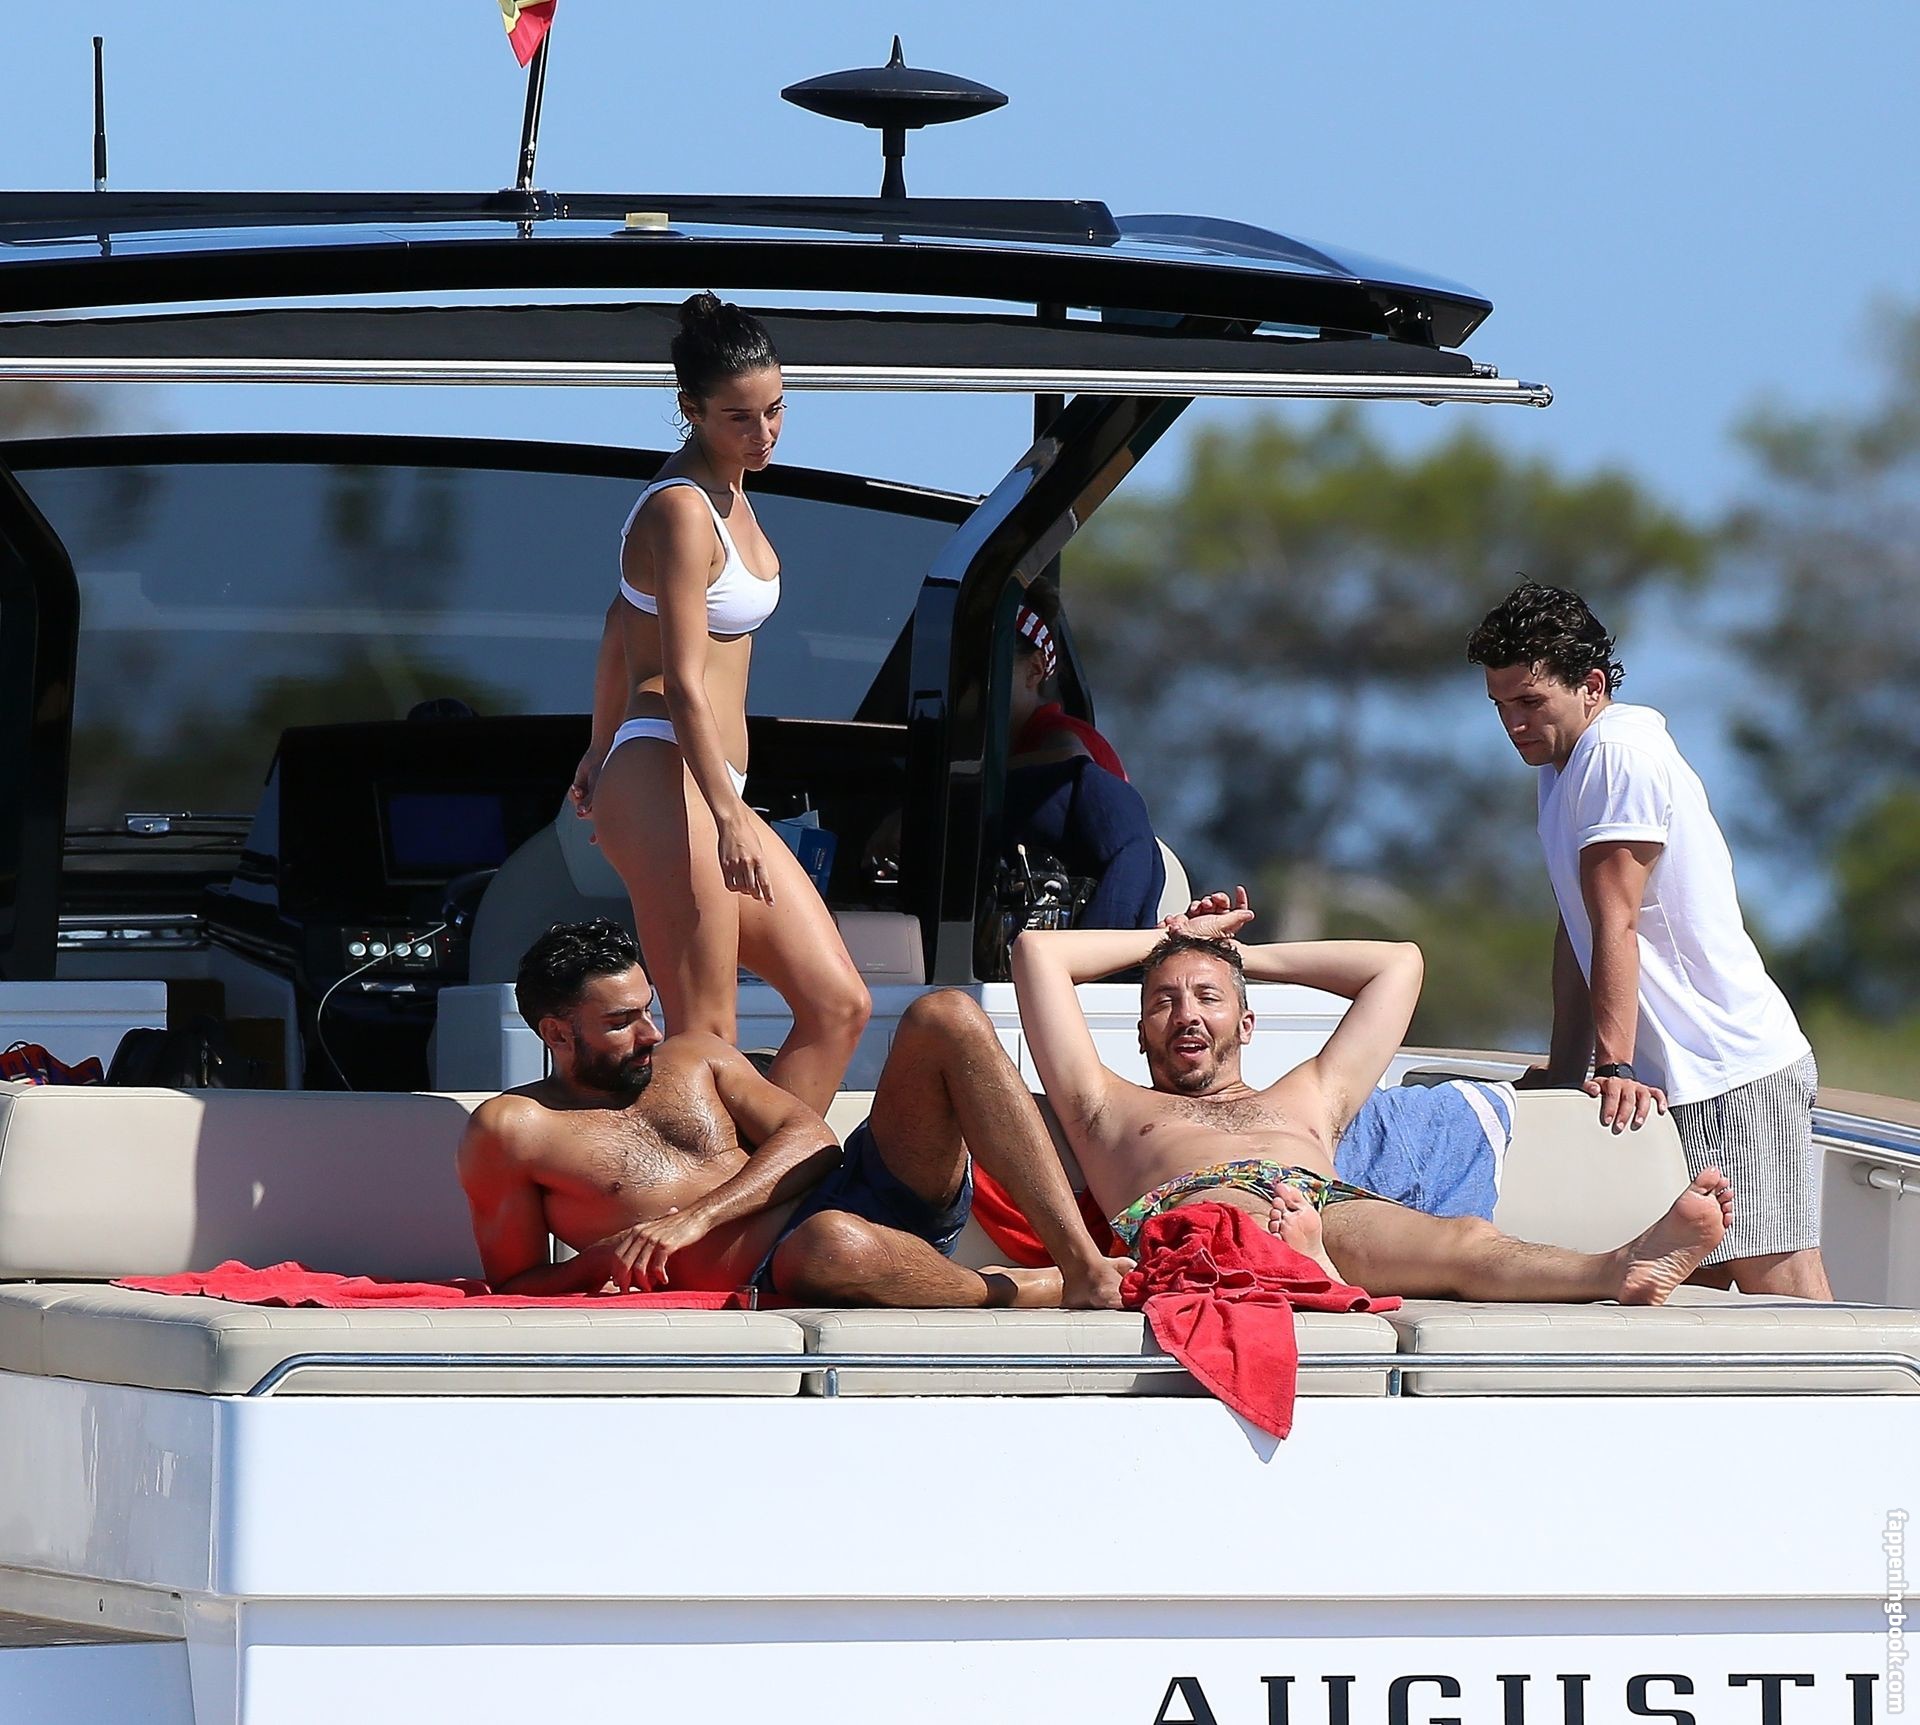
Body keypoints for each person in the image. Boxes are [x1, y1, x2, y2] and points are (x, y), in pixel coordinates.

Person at [1011, 890, 1734, 1303]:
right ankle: (1307, 1274)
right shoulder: (1106, 1105)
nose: (1186, 1014)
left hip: (1322, 1206)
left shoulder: (1307, 1094)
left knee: (1464, 1239)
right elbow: (1036, 953)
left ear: (1247, 1023)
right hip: (1206, 1214)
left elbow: (1399, 965)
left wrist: (1238, 954)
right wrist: (1173, 939)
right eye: (1163, 1002)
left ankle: (1620, 1267)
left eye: (1208, 997)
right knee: (1244, 1223)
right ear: (1140, 1032)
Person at [1466, 581, 1831, 1300]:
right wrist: (1566, 1068)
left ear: (1591, 685)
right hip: (1672, 1084)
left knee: (1782, 1289)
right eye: (1500, 705)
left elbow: (1617, 921)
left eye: (1530, 701)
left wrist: (1615, 1062)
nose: (1513, 723)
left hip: (1725, 1069)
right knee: (1700, 1291)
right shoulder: (1562, 766)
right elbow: (1577, 929)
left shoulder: (1616, 755)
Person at [455, 920, 1128, 1309]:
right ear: (558, 1033)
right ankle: (1021, 1290)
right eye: (620, 1021)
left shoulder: (693, 1055)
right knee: (828, 1241)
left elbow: (813, 1139)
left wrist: (695, 1218)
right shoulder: (512, 1130)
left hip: (864, 1188)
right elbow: (513, 1285)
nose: (651, 1032)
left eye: (648, 1008)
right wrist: (598, 1262)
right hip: (801, 1260)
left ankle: (1083, 1264)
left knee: (946, 1014)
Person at [570, 293, 868, 1114]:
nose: (763, 432)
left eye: (776, 410)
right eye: (739, 417)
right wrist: (726, 812)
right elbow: (683, 679)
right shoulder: (680, 508)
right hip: (670, 772)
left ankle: (761, 1180)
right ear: (691, 409)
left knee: (838, 1004)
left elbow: (616, 623)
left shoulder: (733, 494)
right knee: (707, 1033)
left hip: (703, 780)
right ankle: (695, 1192)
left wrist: (594, 744)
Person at [1002, 578, 1164, 929]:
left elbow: (1071, 758)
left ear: (1034, 670)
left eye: (988, 670)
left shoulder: (1057, 736)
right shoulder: (1014, 745)